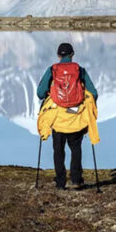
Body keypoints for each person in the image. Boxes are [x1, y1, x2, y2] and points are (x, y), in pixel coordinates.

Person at [36, 42, 98, 190]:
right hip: (75, 116)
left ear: (59, 56)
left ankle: (60, 182)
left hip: (58, 117)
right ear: (72, 55)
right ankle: (76, 180)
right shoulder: (79, 70)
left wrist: (50, 96)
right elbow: (93, 93)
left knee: (58, 151)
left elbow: (40, 93)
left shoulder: (52, 70)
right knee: (75, 148)